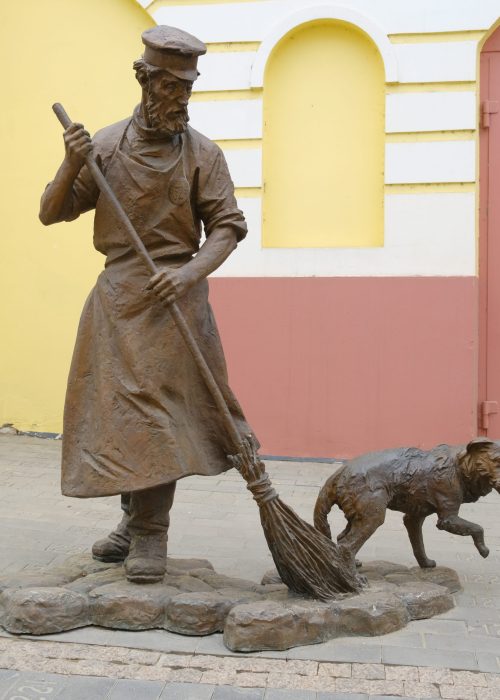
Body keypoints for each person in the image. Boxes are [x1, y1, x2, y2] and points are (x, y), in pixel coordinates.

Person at [39, 25, 255, 584]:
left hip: (176, 302)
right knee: (121, 419)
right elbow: (51, 212)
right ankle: (133, 524)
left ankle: (151, 536)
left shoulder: (203, 152)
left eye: (188, 89)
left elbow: (229, 228)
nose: (182, 99)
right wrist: (71, 164)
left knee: (159, 419)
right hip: (118, 302)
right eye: (172, 89)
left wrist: (186, 274)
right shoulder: (106, 146)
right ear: (147, 81)